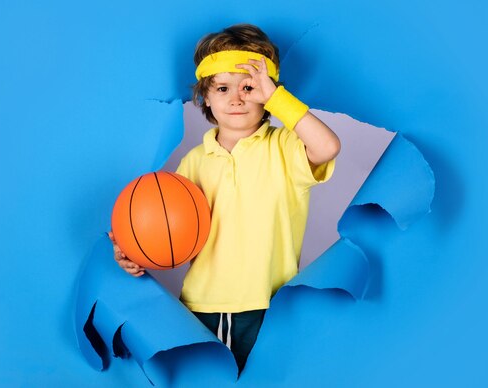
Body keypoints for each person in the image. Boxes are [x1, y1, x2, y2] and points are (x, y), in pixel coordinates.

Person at [109, 24, 341, 374]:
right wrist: (133, 250)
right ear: (204, 97)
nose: (236, 98)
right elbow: (166, 230)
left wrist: (276, 97)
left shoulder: (286, 149)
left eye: (249, 87)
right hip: (202, 305)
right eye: (223, 88)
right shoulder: (193, 163)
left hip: (268, 304)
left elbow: (328, 146)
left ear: (267, 93)